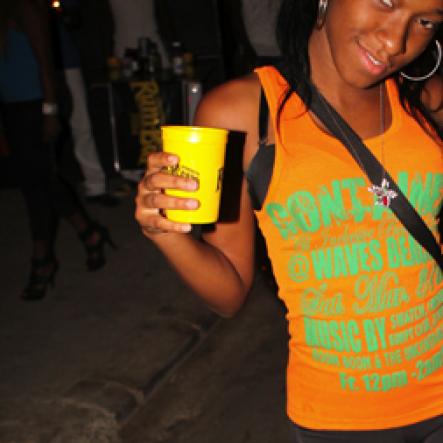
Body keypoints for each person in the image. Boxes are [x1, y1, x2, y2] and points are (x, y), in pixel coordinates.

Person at [135, 0, 443, 441]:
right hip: (340, 421)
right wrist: (164, 233)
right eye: (386, 2)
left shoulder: (424, 96)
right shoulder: (241, 114)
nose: (396, 41)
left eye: (426, 21)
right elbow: (229, 293)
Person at [0, 0, 115, 301]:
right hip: (12, 106)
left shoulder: (25, 6)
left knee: (37, 184)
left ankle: (43, 259)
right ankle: (89, 233)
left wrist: (50, 111)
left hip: (36, 105)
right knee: (36, 180)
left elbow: (45, 61)